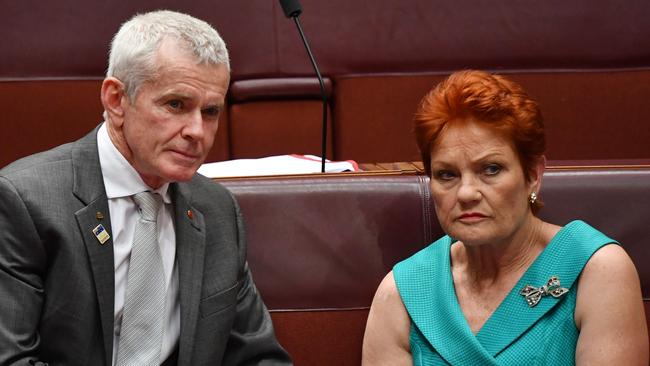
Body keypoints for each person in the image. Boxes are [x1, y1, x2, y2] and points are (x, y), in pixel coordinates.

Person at [0, 10, 292, 366]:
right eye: (176, 105)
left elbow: (258, 358)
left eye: (211, 111)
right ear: (116, 100)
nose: (197, 132)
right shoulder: (25, 200)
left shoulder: (217, 210)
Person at [362, 70, 648, 365]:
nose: (466, 193)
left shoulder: (596, 270)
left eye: (491, 169)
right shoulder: (402, 292)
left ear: (533, 176)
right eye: (447, 174)